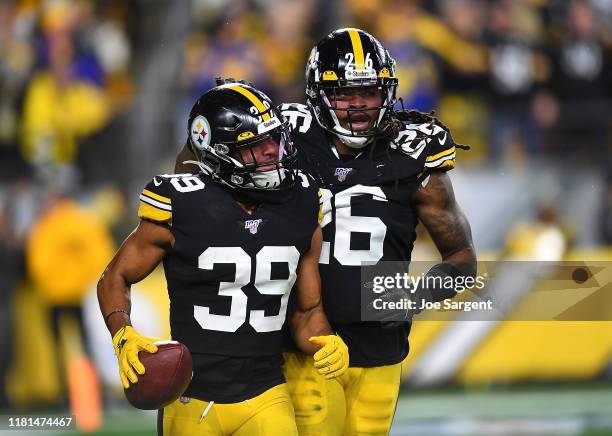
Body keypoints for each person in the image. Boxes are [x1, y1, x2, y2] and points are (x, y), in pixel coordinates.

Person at [175, 29, 476, 435]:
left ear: (387, 92)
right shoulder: (283, 134)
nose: (357, 106)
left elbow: (461, 261)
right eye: (344, 94)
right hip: (304, 342)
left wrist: (409, 298)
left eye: (368, 93)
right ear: (317, 94)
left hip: (381, 347)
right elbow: (196, 159)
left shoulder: (413, 152)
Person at [98, 81, 349, 436]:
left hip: (266, 393)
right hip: (191, 398)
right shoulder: (181, 203)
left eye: (274, 140)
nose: (271, 154)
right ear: (216, 154)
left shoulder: (303, 201)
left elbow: (307, 314)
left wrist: (328, 341)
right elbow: (114, 277)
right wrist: (122, 332)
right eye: (255, 147)